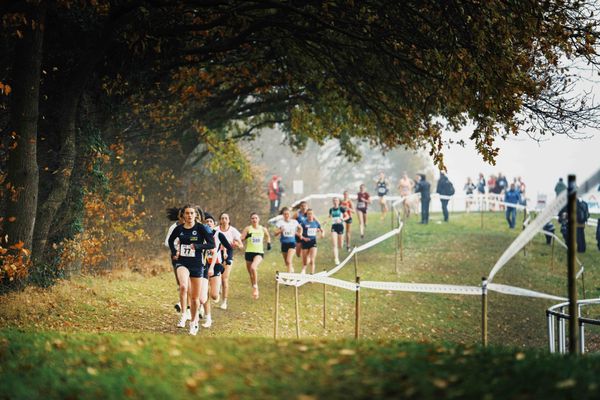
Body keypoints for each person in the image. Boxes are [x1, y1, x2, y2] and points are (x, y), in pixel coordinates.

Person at [167, 205, 215, 336]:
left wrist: (198, 246)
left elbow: (212, 244)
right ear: (183, 216)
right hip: (182, 262)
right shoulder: (179, 229)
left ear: (195, 215)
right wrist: (174, 252)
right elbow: (171, 240)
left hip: (197, 264)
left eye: (191, 213)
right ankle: (183, 314)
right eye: (187, 213)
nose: (189, 216)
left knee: (195, 298)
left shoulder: (201, 228)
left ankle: (194, 322)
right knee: (183, 286)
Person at [202, 214, 233, 328]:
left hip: (216, 265)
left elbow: (229, 247)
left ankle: (216, 291)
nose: (208, 223)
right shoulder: (201, 235)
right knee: (204, 292)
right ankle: (208, 317)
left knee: (214, 295)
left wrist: (228, 259)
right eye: (206, 222)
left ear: (214, 224)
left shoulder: (219, 235)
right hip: (203, 265)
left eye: (210, 221)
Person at [216, 213, 243, 310]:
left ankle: (224, 302)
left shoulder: (233, 230)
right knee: (218, 276)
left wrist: (236, 244)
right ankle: (217, 290)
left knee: (224, 279)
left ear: (229, 220)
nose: (224, 220)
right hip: (217, 253)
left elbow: (241, 245)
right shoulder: (216, 230)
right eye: (222, 218)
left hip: (229, 253)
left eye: (226, 218)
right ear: (220, 220)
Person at [240, 213, 272, 299]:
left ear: (259, 219)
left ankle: (256, 287)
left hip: (259, 253)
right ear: (251, 220)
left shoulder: (263, 229)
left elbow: (268, 236)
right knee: (250, 273)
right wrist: (247, 236)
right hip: (249, 252)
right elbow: (241, 238)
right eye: (252, 218)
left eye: (256, 218)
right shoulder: (248, 228)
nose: (254, 220)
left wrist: (268, 243)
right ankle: (254, 287)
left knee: (253, 268)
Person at [165, 207, 189, 317]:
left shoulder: (192, 226)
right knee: (181, 283)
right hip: (176, 257)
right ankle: (185, 304)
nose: (184, 217)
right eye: (182, 215)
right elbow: (167, 242)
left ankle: (188, 306)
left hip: (191, 257)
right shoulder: (174, 228)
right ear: (179, 217)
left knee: (189, 282)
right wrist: (176, 249)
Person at [274, 207, 302, 273]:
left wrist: (300, 234)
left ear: (290, 214)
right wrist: (281, 230)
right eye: (285, 214)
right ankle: (292, 273)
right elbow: (275, 233)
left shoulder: (294, 222)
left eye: (288, 214)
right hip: (284, 244)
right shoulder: (280, 222)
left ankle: (289, 279)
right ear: (283, 215)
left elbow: (300, 228)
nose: (286, 215)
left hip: (292, 243)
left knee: (289, 261)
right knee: (287, 263)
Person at [300, 208, 324, 274]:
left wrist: (322, 234)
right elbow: (298, 233)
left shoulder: (316, 222)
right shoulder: (303, 222)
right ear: (306, 215)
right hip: (305, 243)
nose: (310, 215)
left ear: (313, 215)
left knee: (312, 260)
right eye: (308, 214)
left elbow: (321, 229)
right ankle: (303, 269)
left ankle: (312, 275)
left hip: (313, 242)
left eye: (311, 214)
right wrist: (303, 238)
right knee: (305, 262)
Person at [328, 197, 347, 265]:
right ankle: (336, 259)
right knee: (334, 245)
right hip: (334, 227)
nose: (335, 202)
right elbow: (329, 217)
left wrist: (341, 220)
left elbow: (347, 216)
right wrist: (325, 221)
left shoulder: (341, 208)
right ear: (333, 202)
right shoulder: (331, 209)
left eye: (336, 200)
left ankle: (341, 244)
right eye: (334, 201)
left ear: (339, 202)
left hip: (340, 227)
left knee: (340, 246)